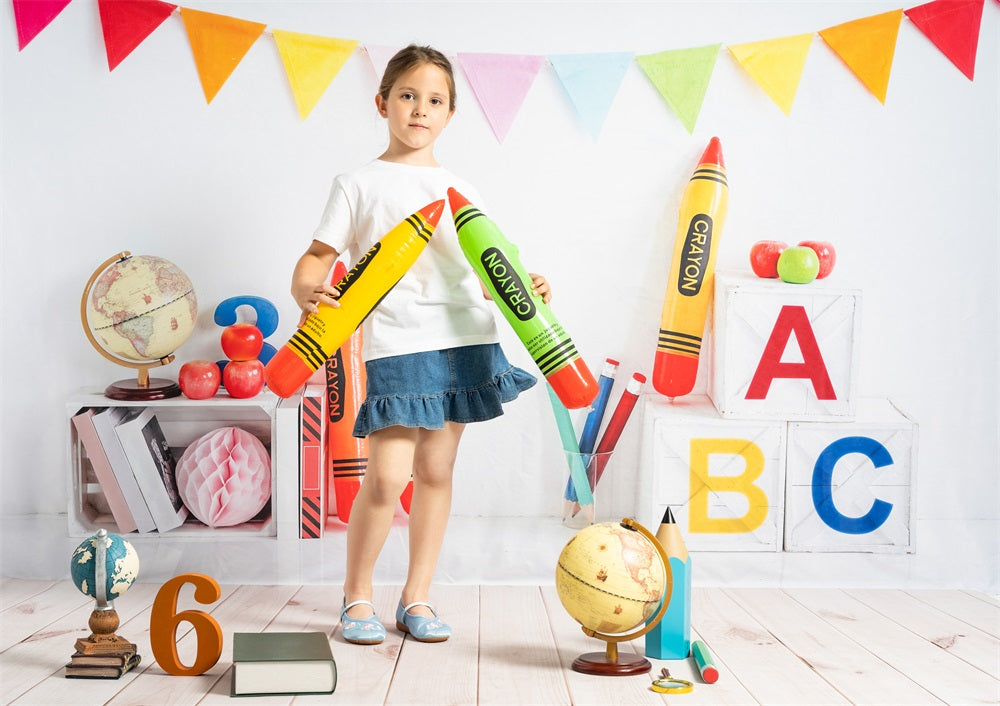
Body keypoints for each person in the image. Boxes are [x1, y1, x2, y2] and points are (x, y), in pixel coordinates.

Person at [289, 45, 550, 645]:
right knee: (385, 478)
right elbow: (317, 259)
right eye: (408, 96)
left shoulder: (461, 186)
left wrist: (526, 281)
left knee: (436, 470)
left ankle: (417, 597)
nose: (420, 109)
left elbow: (491, 264)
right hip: (399, 342)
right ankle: (357, 596)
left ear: (450, 114)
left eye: (435, 101)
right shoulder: (357, 184)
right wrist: (307, 287)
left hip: (465, 337)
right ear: (382, 102)